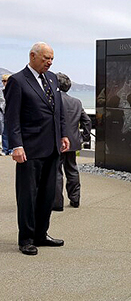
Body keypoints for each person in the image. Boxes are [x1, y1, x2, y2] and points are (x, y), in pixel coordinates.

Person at [5, 42, 70, 255]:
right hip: (29, 150)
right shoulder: (17, 81)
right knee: (27, 196)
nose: (49, 63)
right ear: (33, 56)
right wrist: (16, 145)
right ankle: (26, 238)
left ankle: (41, 234)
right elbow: (12, 117)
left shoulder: (52, 79)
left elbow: (57, 109)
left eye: (52, 59)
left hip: (52, 148)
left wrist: (63, 134)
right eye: (46, 58)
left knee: (47, 195)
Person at [53, 72, 91, 211]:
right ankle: (75, 199)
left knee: (56, 172)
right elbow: (87, 121)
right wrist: (83, 137)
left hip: (56, 142)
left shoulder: (53, 100)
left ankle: (57, 202)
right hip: (73, 142)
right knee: (72, 170)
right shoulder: (76, 102)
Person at [0, 74, 7, 155]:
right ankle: (5, 149)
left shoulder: (14, 89)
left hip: (11, 112)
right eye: (3, 81)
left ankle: (12, 149)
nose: (5, 83)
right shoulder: (1, 90)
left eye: (6, 81)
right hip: (3, 112)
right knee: (4, 131)